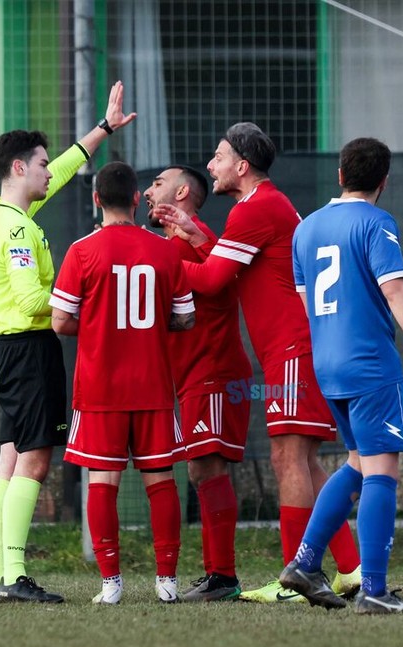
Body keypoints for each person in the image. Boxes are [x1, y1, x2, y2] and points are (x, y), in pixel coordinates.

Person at [153, 123, 362, 603]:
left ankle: (298, 577)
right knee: (304, 461)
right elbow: (227, 270)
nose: (211, 165)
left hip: (293, 348)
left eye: (219, 156)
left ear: (242, 166)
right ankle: (349, 568)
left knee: (288, 458)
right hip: (296, 347)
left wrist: (154, 259)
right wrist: (194, 232)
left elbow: (211, 281)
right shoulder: (265, 205)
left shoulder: (254, 209)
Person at [276, 137, 403, 614]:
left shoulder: (306, 228)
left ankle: (305, 563)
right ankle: (374, 590)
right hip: (369, 363)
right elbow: (395, 291)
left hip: (327, 364)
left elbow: (305, 301)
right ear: (384, 182)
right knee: (381, 473)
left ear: (340, 175)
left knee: (357, 462)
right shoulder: (377, 223)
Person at [0, 81, 136, 604]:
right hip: (29, 352)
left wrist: (103, 129)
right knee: (35, 461)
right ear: (19, 168)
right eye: (41, 164)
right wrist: (85, 306)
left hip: (9, 352)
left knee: (9, 461)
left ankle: (2, 574)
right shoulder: (18, 230)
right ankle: (13, 577)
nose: (50, 172)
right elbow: (30, 300)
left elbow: (66, 169)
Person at [49, 161, 195, 605]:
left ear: (97, 199)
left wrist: (98, 325)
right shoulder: (165, 250)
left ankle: (111, 582)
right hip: (152, 384)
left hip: (100, 389)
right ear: (135, 199)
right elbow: (186, 318)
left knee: (102, 481)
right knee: (161, 481)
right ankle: (167, 581)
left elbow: (60, 321)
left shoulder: (82, 251)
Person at [143, 165, 253, 601]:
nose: (147, 191)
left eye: (157, 184)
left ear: (182, 193)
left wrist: (155, 262)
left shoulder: (198, 237)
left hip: (214, 372)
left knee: (208, 467)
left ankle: (223, 577)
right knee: (200, 469)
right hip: (192, 376)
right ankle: (217, 575)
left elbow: (220, 283)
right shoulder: (172, 246)